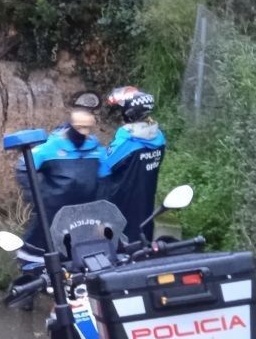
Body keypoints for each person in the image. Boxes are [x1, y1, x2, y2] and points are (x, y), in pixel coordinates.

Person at [13, 106, 104, 252]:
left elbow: (106, 178)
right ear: (72, 125)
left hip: (86, 214)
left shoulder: (97, 149)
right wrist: (36, 198)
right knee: (39, 251)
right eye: (80, 127)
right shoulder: (51, 146)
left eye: (87, 128)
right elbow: (24, 167)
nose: (84, 132)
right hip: (53, 213)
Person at [100, 86, 166, 241]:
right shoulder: (159, 138)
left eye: (120, 110)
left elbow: (104, 167)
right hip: (145, 206)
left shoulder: (126, 142)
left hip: (121, 210)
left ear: (128, 113)